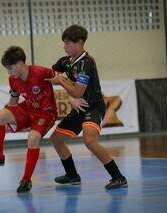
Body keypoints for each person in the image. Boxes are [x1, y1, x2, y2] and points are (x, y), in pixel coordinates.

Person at [46, 25, 127, 190]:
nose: (64, 46)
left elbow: (77, 90)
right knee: (55, 139)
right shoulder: (65, 62)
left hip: (94, 107)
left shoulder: (87, 62)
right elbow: (50, 75)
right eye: (64, 43)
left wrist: (62, 81)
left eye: (68, 43)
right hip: (79, 107)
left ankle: (118, 177)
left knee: (89, 140)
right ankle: (72, 176)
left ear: (80, 43)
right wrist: (69, 97)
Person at [0, 46, 57, 193]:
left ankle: (26, 180)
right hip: (28, 109)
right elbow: (13, 101)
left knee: (33, 137)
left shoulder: (40, 72)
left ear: (20, 63)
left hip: (46, 114)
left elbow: (58, 78)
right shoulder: (13, 79)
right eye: (7, 69)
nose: (9, 72)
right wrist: (9, 116)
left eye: (11, 68)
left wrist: (73, 94)